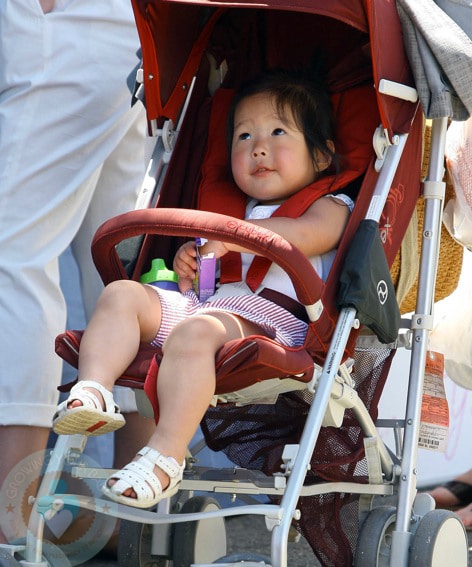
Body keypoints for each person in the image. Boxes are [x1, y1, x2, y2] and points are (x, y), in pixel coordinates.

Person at [51, 69, 354, 509]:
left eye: (277, 131)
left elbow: (303, 235)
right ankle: (94, 391)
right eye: (243, 135)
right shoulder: (224, 207)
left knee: (195, 333)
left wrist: (230, 236)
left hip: (271, 321)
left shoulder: (329, 205)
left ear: (323, 156)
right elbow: (202, 285)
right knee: (122, 293)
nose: (258, 146)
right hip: (206, 306)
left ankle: (166, 454)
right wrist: (187, 264)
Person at [0, 0, 155, 543]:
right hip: (116, 28)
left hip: (61, 24)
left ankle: (12, 517)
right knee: (117, 262)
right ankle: (134, 513)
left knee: (11, 255)